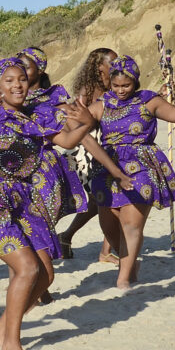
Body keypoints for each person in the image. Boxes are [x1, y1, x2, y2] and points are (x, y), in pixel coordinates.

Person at [0, 28, 126, 350]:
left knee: (45, 276)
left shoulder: (37, 114)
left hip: (26, 199)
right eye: (10, 80)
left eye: (22, 79)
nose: (17, 84)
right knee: (27, 268)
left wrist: (87, 122)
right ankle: (11, 345)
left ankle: (0, 331)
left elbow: (68, 141)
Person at [85, 55, 175, 289]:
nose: (121, 90)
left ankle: (124, 279)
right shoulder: (102, 104)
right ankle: (130, 264)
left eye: (126, 85)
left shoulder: (149, 101)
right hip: (108, 167)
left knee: (131, 224)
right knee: (109, 226)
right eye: (116, 86)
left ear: (135, 82)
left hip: (142, 165)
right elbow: (80, 126)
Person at [18, 46, 89, 235]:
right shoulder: (11, 98)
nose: (20, 70)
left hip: (44, 170)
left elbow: (79, 135)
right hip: (16, 169)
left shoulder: (54, 101)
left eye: (26, 66)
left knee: (39, 229)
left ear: (40, 70)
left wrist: (113, 169)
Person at [58, 48, 119, 263]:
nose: (115, 64)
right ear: (98, 66)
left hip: (111, 142)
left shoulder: (116, 84)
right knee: (101, 199)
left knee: (109, 197)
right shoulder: (89, 89)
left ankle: (103, 249)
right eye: (111, 62)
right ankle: (68, 237)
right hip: (89, 147)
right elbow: (79, 120)